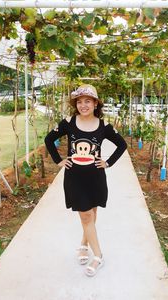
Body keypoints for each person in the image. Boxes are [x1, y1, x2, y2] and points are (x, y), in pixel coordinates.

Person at [45, 84, 127, 277]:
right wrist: (59, 160)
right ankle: (98, 255)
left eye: (87, 101)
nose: (83, 105)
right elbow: (49, 139)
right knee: (86, 216)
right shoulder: (68, 122)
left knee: (92, 212)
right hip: (75, 178)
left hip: (96, 178)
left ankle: (84, 244)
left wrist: (108, 163)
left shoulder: (104, 126)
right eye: (79, 102)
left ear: (95, 103)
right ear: (76, 104)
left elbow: (121, 144)